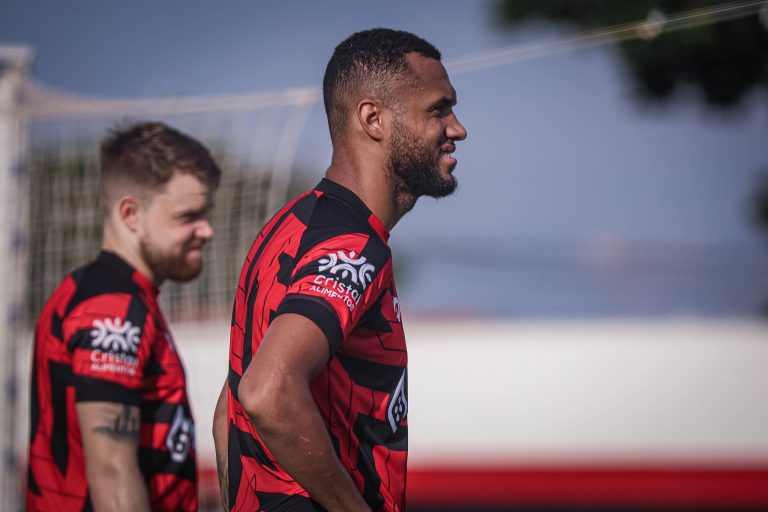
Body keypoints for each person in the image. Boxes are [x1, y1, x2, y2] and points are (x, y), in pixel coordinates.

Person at [213, 28, 467, 511]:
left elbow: (229, 410)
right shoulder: (354, 246)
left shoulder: (286, 228)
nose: (457, 128)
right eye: (438, 109)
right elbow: (266, 391)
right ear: (373, 119)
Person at [27, 121, 221, 511]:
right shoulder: (111, 309)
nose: (207, 230)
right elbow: (113, 473)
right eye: (188, 216)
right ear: (131, 213)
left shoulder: (122, 296)